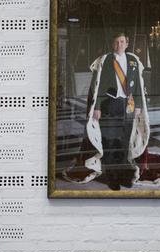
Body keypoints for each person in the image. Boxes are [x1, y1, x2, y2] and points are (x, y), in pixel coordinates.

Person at [63, 33, 151, 190]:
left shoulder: (133, 60)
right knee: (110, 142)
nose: (119, 45)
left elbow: (138, 84)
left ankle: (123, 175)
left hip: (128, 105)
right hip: (109, 105)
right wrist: (97, 107)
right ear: (112, 44)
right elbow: (96, 86)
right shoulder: (104, 60)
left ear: (127, 43)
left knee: (124, 142)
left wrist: (138, 104)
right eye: (116, 42)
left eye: (122, 42)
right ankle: (112, 177)